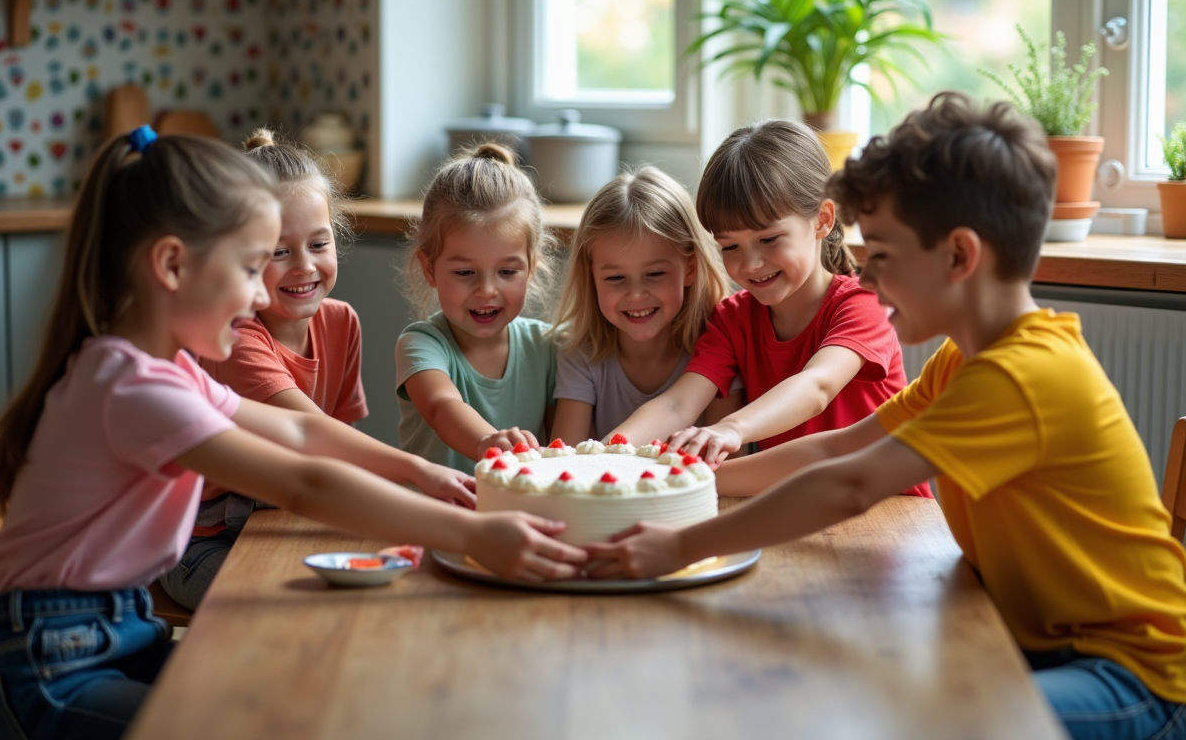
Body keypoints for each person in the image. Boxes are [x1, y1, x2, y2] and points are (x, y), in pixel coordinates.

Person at [588, 93, 1186, 740]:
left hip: (1131, 676)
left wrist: (679, 545)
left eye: (883, 255)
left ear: (959, 257)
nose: (868, 279)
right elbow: (833, 451)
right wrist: (676, 474)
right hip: (1039, 645)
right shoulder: (962, 363)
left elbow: (850, 483)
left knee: (925, 724)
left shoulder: (1017, 376)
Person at [0, 128, 586, 740]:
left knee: (293, 700)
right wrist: (473, 533)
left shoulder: (170, 371)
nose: (256, 294)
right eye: (251, 266)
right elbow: (302, 480)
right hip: (49, 662)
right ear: (171, 265)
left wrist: (421, 471)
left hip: (117, 634)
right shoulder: (133, 388)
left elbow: (301, 435)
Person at [164, 129, 444, 611]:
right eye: (278, 252)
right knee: (285, 612)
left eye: (319, 243)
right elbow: (307, 433)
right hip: (205, 541)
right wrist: (418, 478)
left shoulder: (342, 322)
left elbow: (340, 447)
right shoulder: (236, 338)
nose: (304, 267)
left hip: (289, 516)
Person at [608, 120, 929, 499]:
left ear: (822, 220)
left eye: (769, 239)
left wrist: (732, 428)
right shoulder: (732, 318)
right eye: (730, 247)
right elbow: (678, 404)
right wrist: (604, 455)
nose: (751, 264)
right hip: (795, 507)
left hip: (890, 512)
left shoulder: (863, 303)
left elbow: (817, 386)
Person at [548, 166, 741, 445]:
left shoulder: (720, 343)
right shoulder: (580, 353)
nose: (636, 294)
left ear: (690, 268)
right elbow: (562, 460)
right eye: (616, 278)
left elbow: (729, 463)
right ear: (590, 276)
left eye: (655, 274)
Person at [396, 143, 557, 474]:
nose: (486, 290)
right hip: (432, 520)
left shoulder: (550, 348)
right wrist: (487, 441)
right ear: (429, 269)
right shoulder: (421, 344)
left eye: (507, 272)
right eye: (465, 272)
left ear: (533, 266)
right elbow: (443, 407)